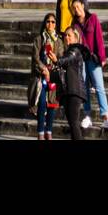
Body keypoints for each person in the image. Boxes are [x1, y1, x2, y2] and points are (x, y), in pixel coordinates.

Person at [71, 0, 108, 132]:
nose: (76, 10)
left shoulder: (93, 18)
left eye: (78, 6)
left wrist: (102, 57)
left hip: (93, 58)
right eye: (74, 8)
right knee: (84, 88)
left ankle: (106, 117)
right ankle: (87, 116)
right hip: (81, 59)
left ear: (83, 5)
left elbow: (99, 38)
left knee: (99, 86)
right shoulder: (74, 24)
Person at [28, 13, 64, 141]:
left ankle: (49, 131)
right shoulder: (39, 39)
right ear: (45, 23)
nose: (50, 24)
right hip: (40, 77)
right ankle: (40, 133)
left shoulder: (59, 41)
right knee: (42, 103)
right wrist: (44, 69)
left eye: (53, 22)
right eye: (48, 21)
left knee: (52, 104)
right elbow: (35, 58)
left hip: (53, 76)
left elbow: (60, 59)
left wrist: (53, 66)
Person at [53, 27, 89, 141]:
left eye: (69, 35)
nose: (66, 37)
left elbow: (66, 59)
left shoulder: (75, 50)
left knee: (74, 122)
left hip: (75, 91)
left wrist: (56, 60)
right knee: (73, 124)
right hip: (69, 90)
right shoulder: (67, 51)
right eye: (65, 35)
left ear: (76, 38)